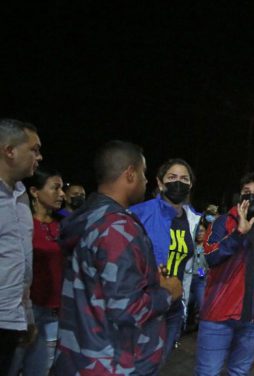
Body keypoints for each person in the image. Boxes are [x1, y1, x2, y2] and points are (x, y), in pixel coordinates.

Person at [54, 140, 182, 375]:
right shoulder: (117, 228)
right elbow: (126, 309)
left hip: (82, 356)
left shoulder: (89, 217)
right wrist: (167, 292)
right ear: (130, 174)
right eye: (143, 174)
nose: (145, 181)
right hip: (112, 363)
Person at [196, 172, 254, 376]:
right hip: (217, 315)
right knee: (208, 372)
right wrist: (238, 234)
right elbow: (211, 257)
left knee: (239, 371)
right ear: (240, 195)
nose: (251, 196)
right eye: (247, 192)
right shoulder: (222, 222)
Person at [130, 158, 201, 359]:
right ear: (160, 183)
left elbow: (187, 266)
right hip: (146, 304)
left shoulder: (192, 219)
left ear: (190, 185)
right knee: (136, 364)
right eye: (172, 177)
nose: (178, 182)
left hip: (174, 308)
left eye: (184, 178)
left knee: (158, 363)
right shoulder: (139, 213)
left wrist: (184, 305)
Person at [11, 169, 65, 376]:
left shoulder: (63, 226)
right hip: (26, 310)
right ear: (34, 191)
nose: (61, 194)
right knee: (12, 366)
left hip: (54, 312)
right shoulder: (22, 225)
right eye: (55, 188)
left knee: (41, 370)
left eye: (62, 188)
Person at [0, 119, 42, 375]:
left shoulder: (20, 196)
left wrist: (26, 318)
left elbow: (22, 264)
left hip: (13, 321)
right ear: (9, 150)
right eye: (34, 149)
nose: (39, 156)